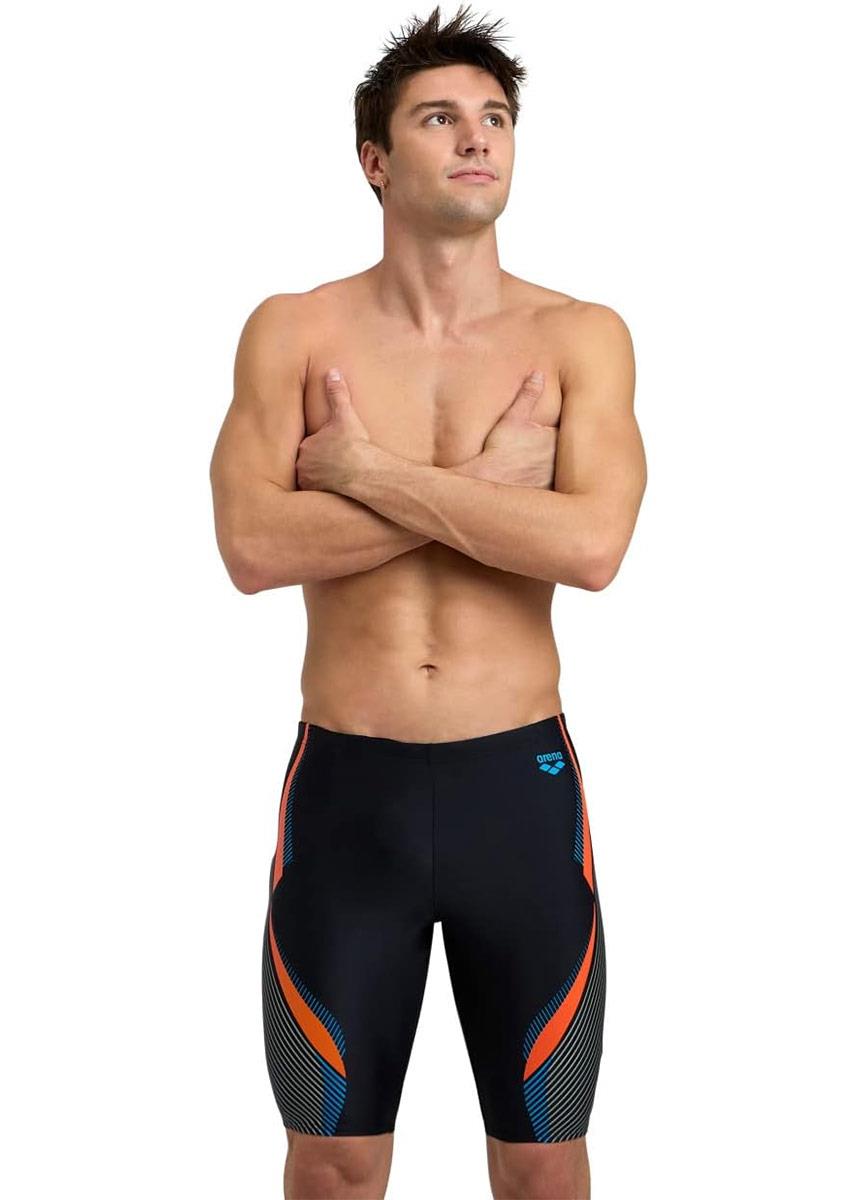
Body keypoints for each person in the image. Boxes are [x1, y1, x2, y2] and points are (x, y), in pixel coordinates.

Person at [209, 5, 646, 1197]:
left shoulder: (578, 337)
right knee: (334, 1162)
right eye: (439, 117)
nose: (475, 138)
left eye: (494, 117)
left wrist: (362, 474)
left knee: (542, 1166)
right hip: (349, 793)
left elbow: (591, 545)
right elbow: (250, 546)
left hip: (518, 789)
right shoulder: (294, 331)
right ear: (373, 159)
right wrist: (490, 491)